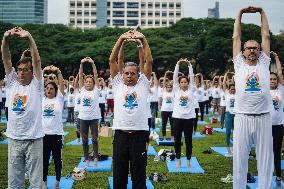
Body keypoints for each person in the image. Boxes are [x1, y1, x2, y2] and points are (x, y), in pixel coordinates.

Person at [232, 6, 273, 188]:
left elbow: (265, 35)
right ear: (243, 51)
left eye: (255, 48)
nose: (252, 50)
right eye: (248, 48)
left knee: (265, 161)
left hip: (263, 116)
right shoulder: (239, 64)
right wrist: (240, 13)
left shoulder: (264, 62)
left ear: (259, 51)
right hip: (242, 117)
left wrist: (261, 12)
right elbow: (236, 37)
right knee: (240, 160)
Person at [109, 30, 153, 189]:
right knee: (119, 176)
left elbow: (149, 61)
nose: (129, 76)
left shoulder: (143, 84)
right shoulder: (117, 84)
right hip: (120, 136)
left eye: (132, 73)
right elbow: (113, 60)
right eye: (126, 73)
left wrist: (143, 38)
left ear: (138, 74)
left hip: (139, 136)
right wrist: (121, 39)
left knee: (139, 176)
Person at [1, 27, 44, 188]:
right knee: (14, 181)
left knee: (35, 182)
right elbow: (6, 59)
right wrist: (5, 38)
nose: (21, 73)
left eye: (26, 70)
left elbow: (37, 61)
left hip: (33, 139)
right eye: (19, 70)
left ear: (32, 72)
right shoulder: (12, 82)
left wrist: (29, 37)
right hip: (14, 139)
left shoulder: (37, 84)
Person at [42, 65, 65, 189]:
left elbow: (61, 84)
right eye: (47, 88)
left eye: (52, 88)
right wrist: (44, 71)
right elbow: (39, 83)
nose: (49, 90)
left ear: (55, 90)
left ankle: (57, 182)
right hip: (44, 135)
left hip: (56, 134)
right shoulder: (42, 99)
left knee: (57, 159)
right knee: (44, 159)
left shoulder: (59, 99)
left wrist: (59, 72)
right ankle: (44, 182)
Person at [172, 58, 195, 168]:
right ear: (179, 83)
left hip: (189, 118)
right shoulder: (176, 89)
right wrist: (178, 64)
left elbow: (192, 76)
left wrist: (189, 65)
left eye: (185, 82)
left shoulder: (191, 89)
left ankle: (189, 160)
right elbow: (175, 77)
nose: (184, 83)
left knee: (188, 140)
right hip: (177, 118)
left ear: (188, 83)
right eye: (182, 82)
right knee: (177, 140)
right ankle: (178, 160)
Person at [78, 57, 101, 167]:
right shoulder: (82, 90)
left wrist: (92, 63)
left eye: (90, 82)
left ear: (93, 83)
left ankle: (96, 157)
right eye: (86, 82)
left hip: (94, 119)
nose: (88, 83)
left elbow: (96, 76)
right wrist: (82, 64)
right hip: (83, 119)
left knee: (95, 139)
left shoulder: (96, 91)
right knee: (84, 140)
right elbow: (80, 75)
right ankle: (86, 158)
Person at [270, 51, 284, 187]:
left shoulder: (281, 90)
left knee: (276, 151)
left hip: (278, 125)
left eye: (274, 79)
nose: (273, 81)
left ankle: (278, 176)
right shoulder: (263, 90)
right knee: (265, 152)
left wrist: (276, 57)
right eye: (270, 79)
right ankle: (266, 174)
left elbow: (279, 72)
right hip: (265, 126)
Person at [222, 72, 235, 156]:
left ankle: (235, 148)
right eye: (231, 89)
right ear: (229, 89)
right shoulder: (226, 94)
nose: (233, 90)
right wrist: (226, 74)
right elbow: (224, 83)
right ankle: (228, 149)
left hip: (236, 115)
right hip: (228, 115)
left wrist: (234, 75)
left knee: (236, 133)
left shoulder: (237, 94)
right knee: (227, 132)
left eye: (234, 89)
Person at [160, 71, 174, 141]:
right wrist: (165, 74)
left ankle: (172, 137)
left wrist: (174, 74)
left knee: (172, 125)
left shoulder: (174, 92)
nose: (169, 88)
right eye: (168, 87)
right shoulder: (164, 91)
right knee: (164, 124)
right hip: (164, 110)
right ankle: (164, 137)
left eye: (170, 87)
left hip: (172, 111)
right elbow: (164, 81)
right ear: (166, 87)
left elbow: (175, 81)